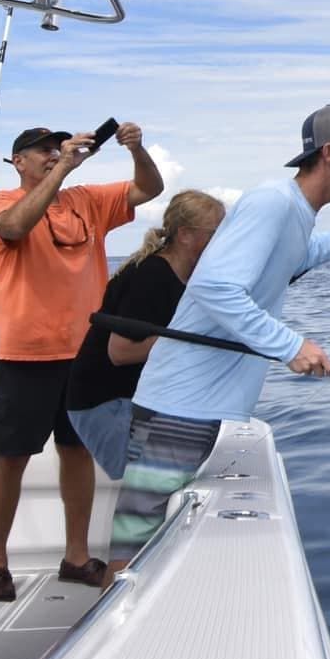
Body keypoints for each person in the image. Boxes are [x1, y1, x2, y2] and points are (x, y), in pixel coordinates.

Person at [111, 105, 330, 552]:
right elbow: (215, 288)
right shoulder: (272, 202)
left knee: (155, 539)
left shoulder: (295, 211)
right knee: (135, 539)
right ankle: (115, 614)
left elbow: (295, 257)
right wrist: (290, 346)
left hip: (201, 407)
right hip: (180, 409)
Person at [0, 123, 163, 600]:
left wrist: (136, 148)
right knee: (11, 456)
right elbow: (16, 228)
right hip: (26, 354)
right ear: (18, 161)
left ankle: (76, 556)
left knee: (77, 451)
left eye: (56, 148)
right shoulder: (1, 202)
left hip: (86, 353)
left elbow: (150, 188)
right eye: (42, 151)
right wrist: (62, 167)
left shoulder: (86, 200)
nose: (52, 154)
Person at [65, 190, 227, 484]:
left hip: (135, 398)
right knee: (147, 481)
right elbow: (121, 351)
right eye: (215, 233)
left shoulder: (185, 276)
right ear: (186, 235)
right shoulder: (151, 276)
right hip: (105, 401)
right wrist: (192, 340)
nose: (223, 242)